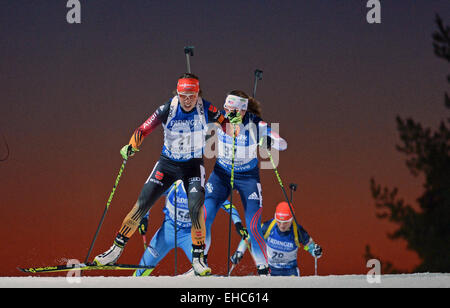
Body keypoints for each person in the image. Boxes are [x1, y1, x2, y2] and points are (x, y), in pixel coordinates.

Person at [94, 73, 229, 276]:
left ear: (197, 93)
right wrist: (132, 145)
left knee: (195, 205)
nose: (188, 100)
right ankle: (115, 250)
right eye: (184, 95)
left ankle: (198, 258)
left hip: (192, 165)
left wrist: (233, 124)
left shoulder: (206, 108)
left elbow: (228, 125)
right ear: (178, 93)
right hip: (168, 164)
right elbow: (143, 129)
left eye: (192, 95)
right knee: (143, 202)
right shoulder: (169, 108)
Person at [203, 90, 288, 275]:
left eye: (234, 111)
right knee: (204, 216)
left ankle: (264, 270)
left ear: (242, 110)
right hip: (221, 175)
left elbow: (282, 143)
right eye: (227, 109)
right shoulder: (220, 118)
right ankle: (200, 265)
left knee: (253, 225)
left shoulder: (255, 123)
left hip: (247, 178)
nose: (229, 114)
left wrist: (268, 141)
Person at [133, 180, 247, 276]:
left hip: (189, 237)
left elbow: (228, 205)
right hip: (167, 234)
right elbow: (149, 196)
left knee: (202, 273)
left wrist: (238, 223)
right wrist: (144, 218)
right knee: (141, 272)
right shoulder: (173, 185)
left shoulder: (203, 190)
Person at [230, 201, 323, 276]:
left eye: (286, 222)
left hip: (290, 271)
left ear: (292, 220)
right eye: (279, 222)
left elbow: (310, 247)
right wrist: (239, 252)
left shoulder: (298, 231)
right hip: (270, 270)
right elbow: (248, 236)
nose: (282, 225)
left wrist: (315, 251)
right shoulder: (268, 226)